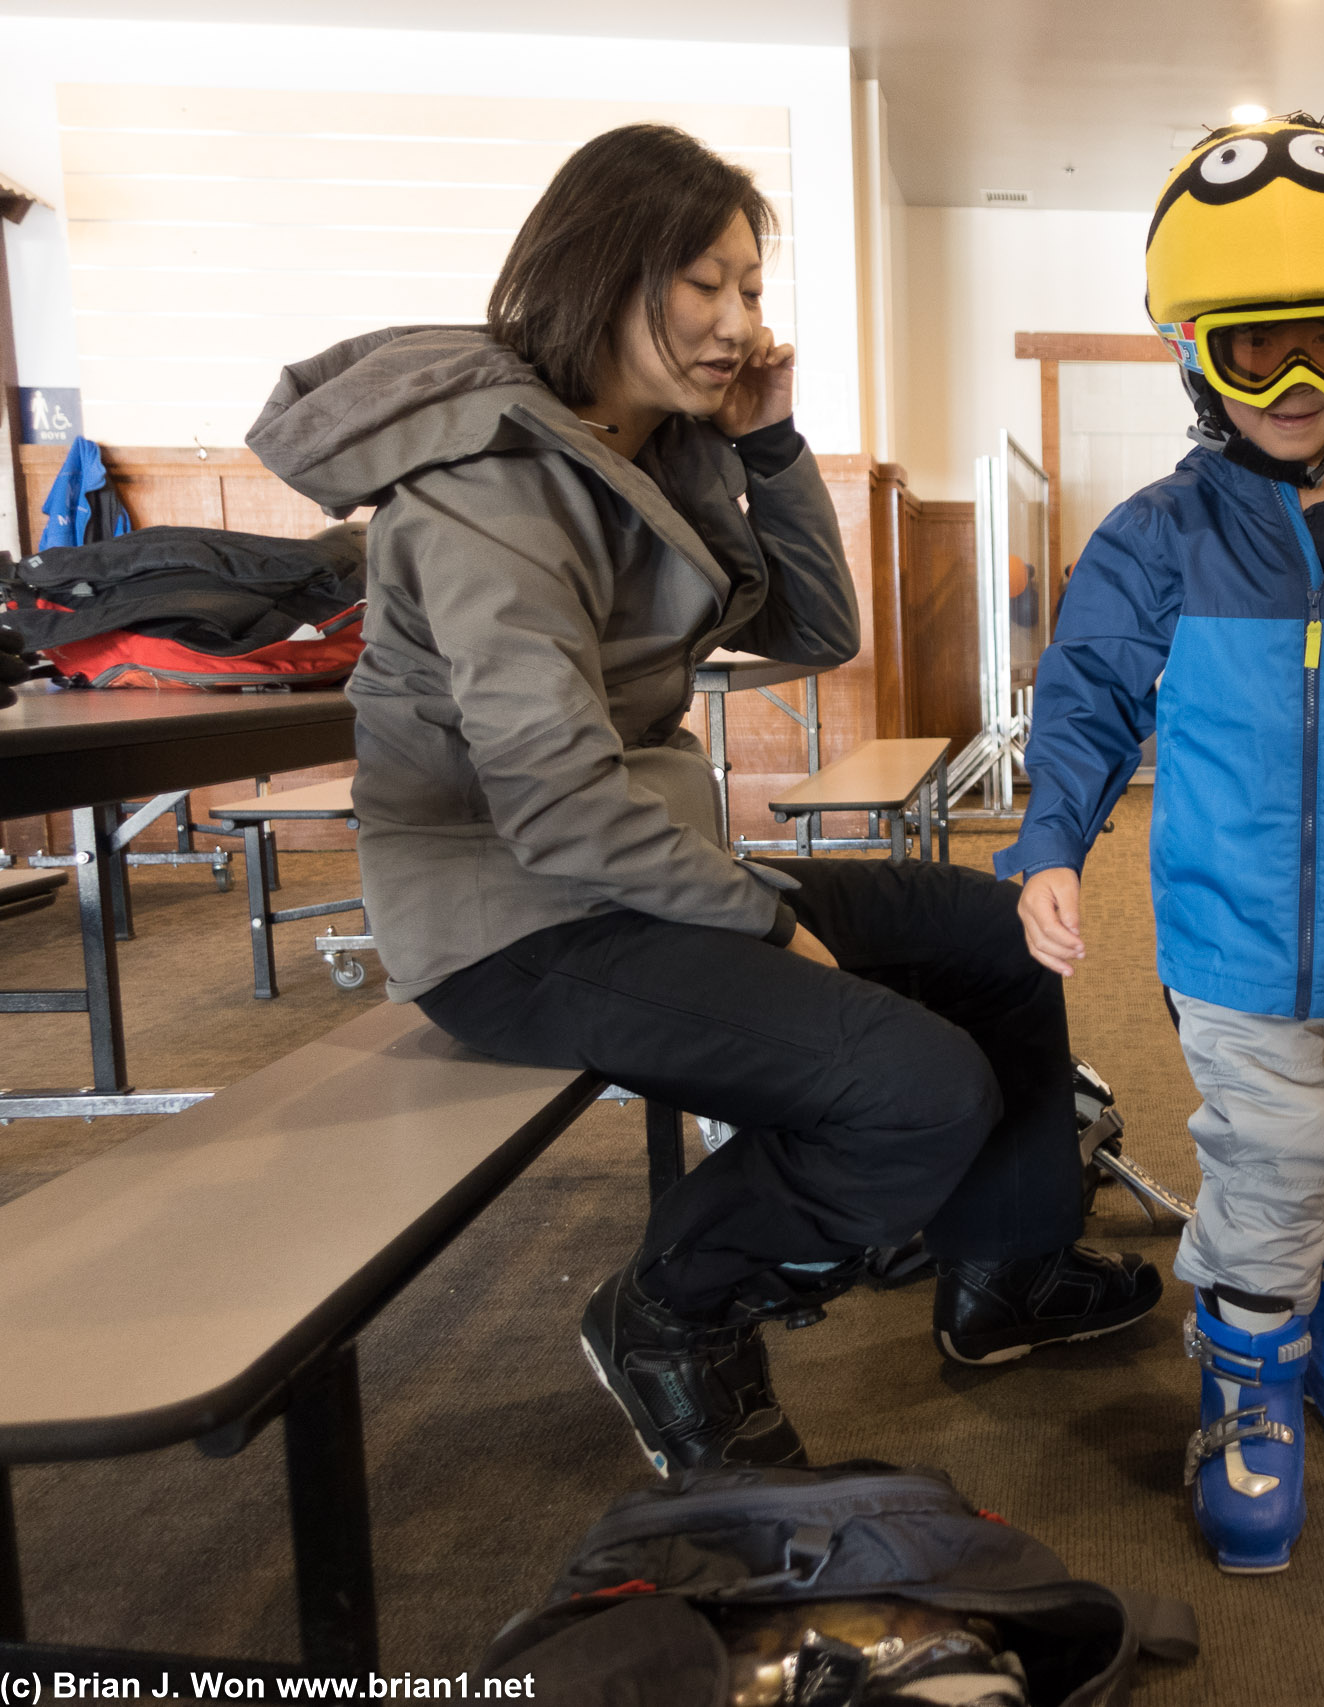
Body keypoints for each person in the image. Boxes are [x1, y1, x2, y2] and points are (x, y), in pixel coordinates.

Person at [247, 123, 1159, 1479]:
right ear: (605, 269)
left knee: (993, 934)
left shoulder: (646, 446)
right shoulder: (488, 485)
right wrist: (761, 923)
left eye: (751, 286)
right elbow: (554, 807)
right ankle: (673, 1312)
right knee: (916, 1087)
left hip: (639, 875)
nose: (741, 321)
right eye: (707, 284)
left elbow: (814, 631)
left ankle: (1005, 1272)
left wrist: (773, 444)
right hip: (519, 926)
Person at [994, 114, 1324, 1573]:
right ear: (1193, 353)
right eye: (1256, 353)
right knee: (1284, 1147)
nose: (1298, 386)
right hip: (1231, 937)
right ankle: (1242, 1384)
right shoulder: (1162, 531)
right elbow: (1092, 686)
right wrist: (1053, 838)